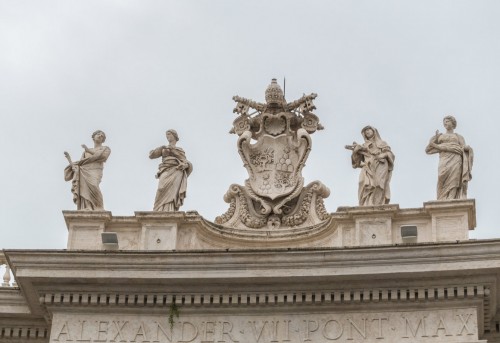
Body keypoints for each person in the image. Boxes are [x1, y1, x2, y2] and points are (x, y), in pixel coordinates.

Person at [425, 115, 473, 200]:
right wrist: (433, 141)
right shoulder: (440, 136)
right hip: (444, 159)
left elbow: (463, 147)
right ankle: (442, 198)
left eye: (447, 121)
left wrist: (468, 149)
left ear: (453, 123)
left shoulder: (458, 136)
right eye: (444, 122)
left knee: (455, 178)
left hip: (456, 158)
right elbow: (428, 150)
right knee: (441, 176)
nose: (445, 123)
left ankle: (452, 198)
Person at [64, 130, 111, 210]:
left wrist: (88, 150)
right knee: (84, 187)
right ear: (93, 137)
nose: (100, 136)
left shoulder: (105, 148)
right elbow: (81, 164)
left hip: (95, 170)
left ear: (103, 140)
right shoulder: (85, 152)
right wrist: (73, 165)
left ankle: (99, 208)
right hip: (84, 171)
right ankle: (87, 207)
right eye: (98, 134)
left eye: (102, 135)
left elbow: (102, 157)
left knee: (94, 186)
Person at [348, 126, 395, 206]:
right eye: (365, 131)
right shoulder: (363, 146)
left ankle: (377, 204)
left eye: (369, 130)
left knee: (379, 184)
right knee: (362, 182)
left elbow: (390, 154)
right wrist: (355, 152)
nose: (367, 132)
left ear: (374, 131)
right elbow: (356, 163)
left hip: (380, 164)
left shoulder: (382, 143)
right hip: (368, 167)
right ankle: (366, 203)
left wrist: (384, 155)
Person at [149, 129, 193, 211]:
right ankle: (158, 209)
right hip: (165, 170)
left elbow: (186, 162)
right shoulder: (164, 148)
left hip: (176, 171)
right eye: (166, 135)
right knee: (161, 188)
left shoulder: (179, 150)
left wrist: (185, 165)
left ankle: (170, 209)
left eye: (169, 134)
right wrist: (161, 148)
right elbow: (151, 155)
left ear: (174, 136)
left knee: (173, 192)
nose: (167, 136)